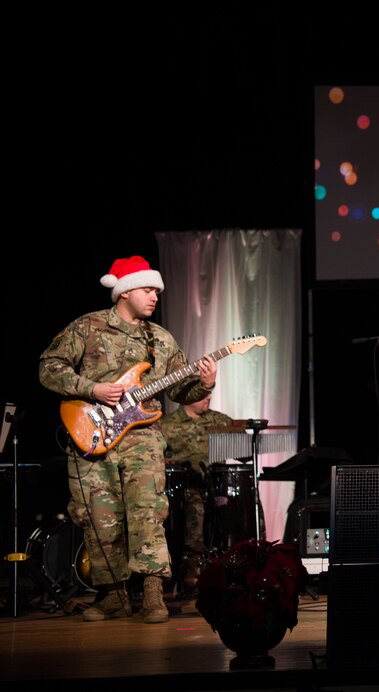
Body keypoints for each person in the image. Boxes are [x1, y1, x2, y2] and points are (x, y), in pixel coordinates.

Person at [39, 255, 218, 622]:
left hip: (143, 438)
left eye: (157, 291)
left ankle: (152, 592)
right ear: (125, 291)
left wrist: (205, 382)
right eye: (149, 289)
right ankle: (113, 596)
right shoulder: (87, 327)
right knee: (99, 517)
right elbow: (49, 367)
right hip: (92, 432)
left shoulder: (161, 339)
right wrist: (92, 388)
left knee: (148, 511)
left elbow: (180, 390)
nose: (155, 296)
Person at [161, 392, 235, 593]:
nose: (208, 398)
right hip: (186, 487)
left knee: (243, 498)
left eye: (209, 393)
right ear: (187, 397)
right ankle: (192, 567)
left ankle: (238, 563)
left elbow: (242, 447)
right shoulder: (166, 425)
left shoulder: (219, 420)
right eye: (202, 395)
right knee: (195, 506)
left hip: (217, 485)